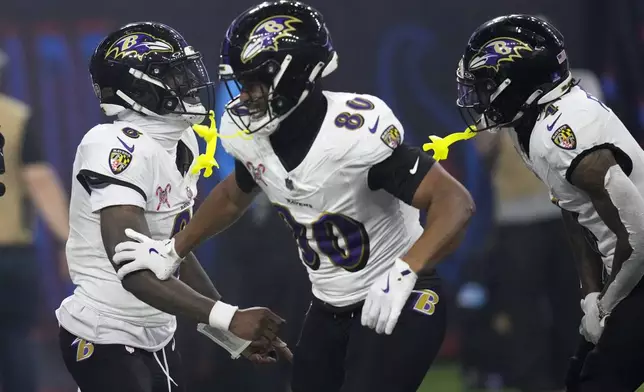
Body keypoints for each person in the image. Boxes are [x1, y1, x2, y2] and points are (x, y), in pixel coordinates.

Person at [112, 2, 475, 392]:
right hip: (328, 306)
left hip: (399, 296)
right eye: (242, 83)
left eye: (255, 82)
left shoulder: (355, 135)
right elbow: (235, 194)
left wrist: (406, 269)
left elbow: (455, 202)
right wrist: (174, 249)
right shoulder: (251, 137)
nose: (245, 95)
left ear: (295, 75)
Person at [55, 21, 287, 392]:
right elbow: (134, 268)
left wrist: (229, 333)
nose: (189, 82)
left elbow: (172, 250)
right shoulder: (114, 144)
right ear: (137, 87)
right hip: (103, 332)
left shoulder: (181, 141)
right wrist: (229, 318)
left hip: (157, 334)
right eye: (173, 73)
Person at [453, 14, 644, 392]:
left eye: (488, 86)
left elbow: (639, 238)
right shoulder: (536, 123)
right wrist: (591, 294)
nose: (481, 99)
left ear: (518, 81)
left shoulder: (559, 133)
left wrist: (606, 303)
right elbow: (572, 208)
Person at [0, 48, 70, 392]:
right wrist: (66, 239)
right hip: (9, 256)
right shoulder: (14, 117)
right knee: (15, 345)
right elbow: (40, 181)